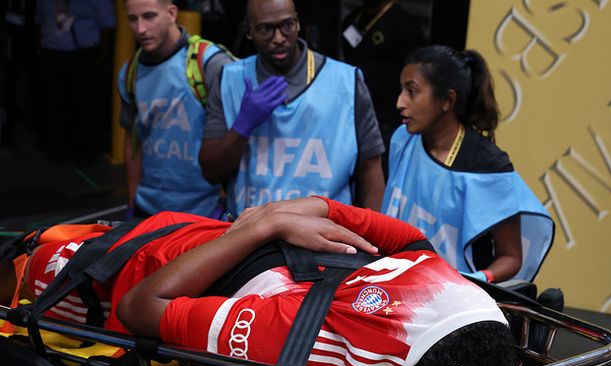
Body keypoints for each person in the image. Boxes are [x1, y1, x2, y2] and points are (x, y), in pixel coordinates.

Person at [1, 197, 517, 366]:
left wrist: (267, 225)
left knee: (24, 265)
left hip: (116, 270)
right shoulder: (425, 262)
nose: (421, 272)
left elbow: (139, 307)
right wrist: (272, 217)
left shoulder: (300, 335)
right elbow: (329, 208)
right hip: (188, 231)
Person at [382, 45, 554, 283]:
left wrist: (476, 279)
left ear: (447, 100)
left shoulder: (488, 165)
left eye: (411, 91)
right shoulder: (402, 139)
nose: (400, 102)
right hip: (394, 284)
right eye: (402, 90)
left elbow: (511, 257)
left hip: (458, 297)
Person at [199, 0, 386, 217]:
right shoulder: (229, 79)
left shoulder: (346, 81)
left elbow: (370, 167)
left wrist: (375, 230)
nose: (279, 38)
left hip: (327, 232)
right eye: (265, 29)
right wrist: (242, 126)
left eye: (287, 25)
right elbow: (211, 172)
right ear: (249, 31)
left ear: (297, 24)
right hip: (250, 231)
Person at [118, 0, 234, 218]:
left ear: (171, 13)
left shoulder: (209, 63)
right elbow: (132, 139)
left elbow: (239, 135)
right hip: (148, 211)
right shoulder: (129, 73)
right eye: (132, 19)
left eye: (149, 16)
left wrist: (228, 200)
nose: (140, 28)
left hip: (206, 211)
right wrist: (133, 199)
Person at [340, 0, 426, 170]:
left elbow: (417, 75)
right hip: (353, 109)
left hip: (386, 117)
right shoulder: (354, 18)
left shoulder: (405, 26)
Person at [35, 0, 115, 166]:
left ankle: (84, 150)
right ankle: (59, 146)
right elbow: (39, 20)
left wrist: (102, 55)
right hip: (52, 52)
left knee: (83, 104)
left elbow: (108, 24)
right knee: (55, 102)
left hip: (83, 53)